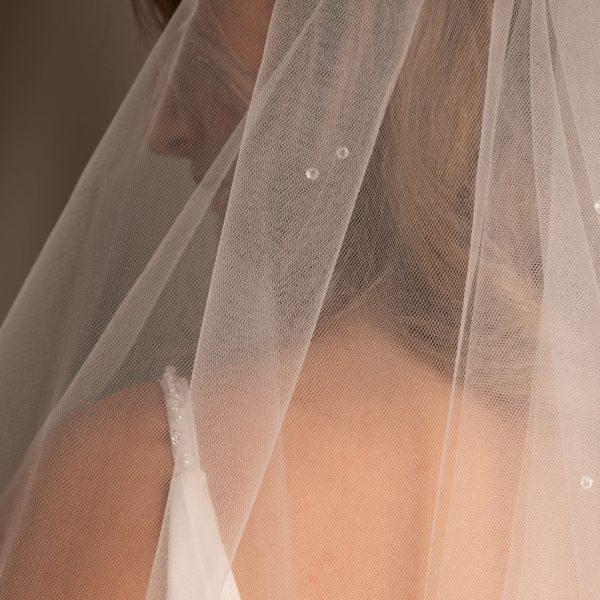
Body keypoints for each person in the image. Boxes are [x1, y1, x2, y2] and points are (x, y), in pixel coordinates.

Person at [1, 0, 599, 598]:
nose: (163, 130)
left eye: (194, 37)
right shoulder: (575, 458)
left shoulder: (131, 491)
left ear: (342, 42)